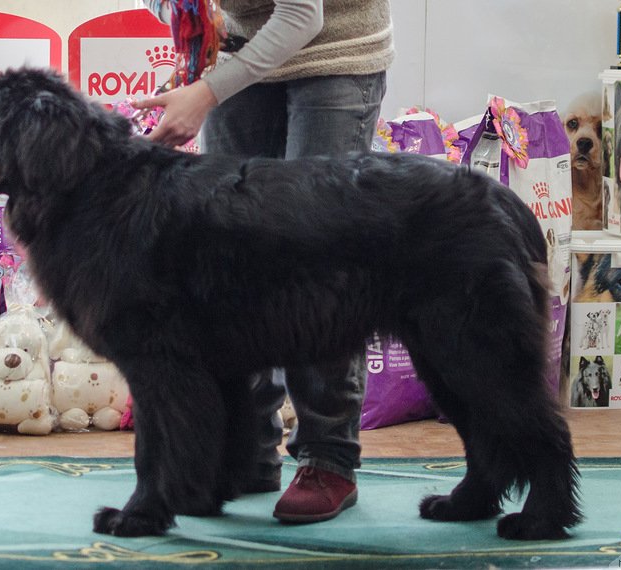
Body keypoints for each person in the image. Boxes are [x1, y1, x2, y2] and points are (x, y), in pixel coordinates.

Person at [138, 0, 394, 523]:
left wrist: (204, 94)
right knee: (233, 261)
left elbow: (304, 15)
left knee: (317, 264)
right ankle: (245, 450)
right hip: (243, 57)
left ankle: (329, 457)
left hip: (334, 57)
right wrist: (195, 48)